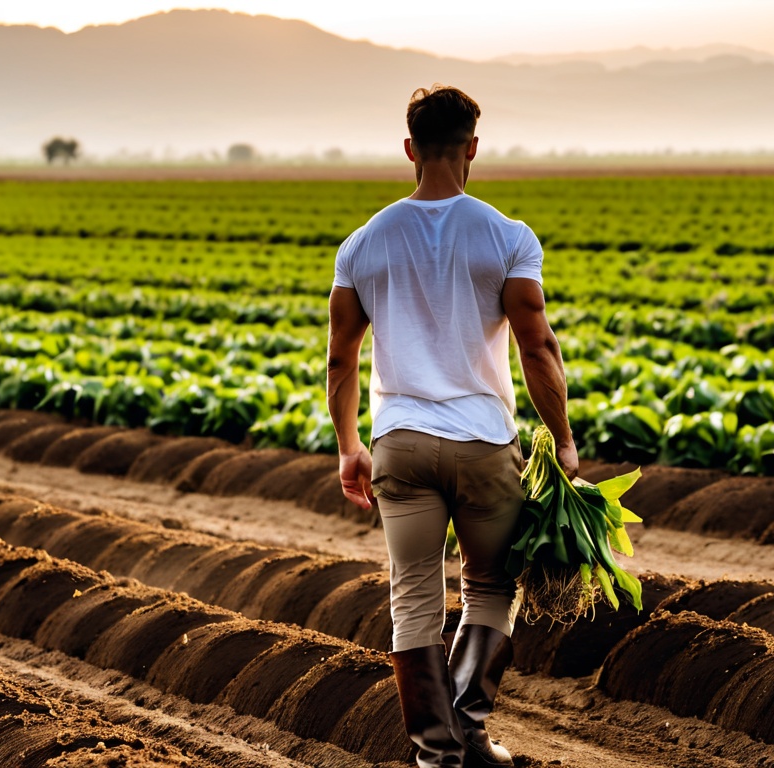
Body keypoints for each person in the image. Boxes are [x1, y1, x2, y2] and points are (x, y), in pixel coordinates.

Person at [326, 84, 576, 768]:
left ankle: (438, 757)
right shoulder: (507, 237)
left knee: (413, 596)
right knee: (492, 585)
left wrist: (349, 446)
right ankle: (468, 727)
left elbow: (341, 356)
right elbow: (536, 346)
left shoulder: (362, 244)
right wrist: (562, 437)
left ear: (409, 149)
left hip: (399, 443)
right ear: (473, 149)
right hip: (483, 442)